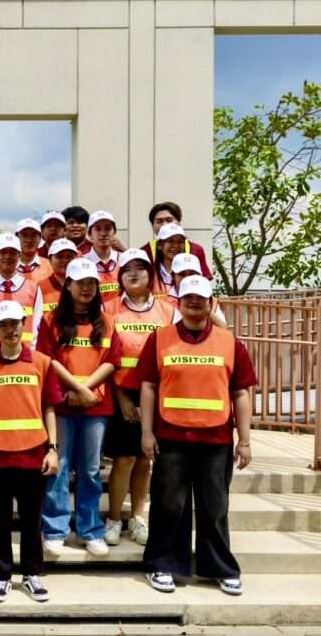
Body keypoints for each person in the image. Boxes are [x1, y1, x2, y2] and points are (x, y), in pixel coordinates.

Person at [137, 275, 255, 596]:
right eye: (188, 297)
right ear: (178, 302)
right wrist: (146, 432)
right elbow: (148, 387)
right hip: (170, 437)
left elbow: (241, 393)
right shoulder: (159, 339)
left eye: (200, 298)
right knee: (169, 505)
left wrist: (245, 441)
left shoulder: (230, 343)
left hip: (216, 440)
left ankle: (219, 568)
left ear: (211, 303)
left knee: (214, 507)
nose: (194, 302)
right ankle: (163, 564)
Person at [0, 301, 61, 604]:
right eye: (4, 325)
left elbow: (49, 408)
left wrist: (53, 449)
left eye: (15, 323)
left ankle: (32, 574)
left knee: (31, 519)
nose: (11, 330)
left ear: (24, 325)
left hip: (32, 454)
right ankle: (2, 577)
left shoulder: (42, 363)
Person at [36, 258, 120, 558]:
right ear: (68, 285)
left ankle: (89, 529)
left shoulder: (107, 321)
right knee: (58, 467)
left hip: (95, 405)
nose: (86, 288)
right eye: (80, 282)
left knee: (91, 469)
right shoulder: (51, 321)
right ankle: (55, 529)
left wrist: (86, 390)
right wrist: (76, 389)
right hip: (63, 404)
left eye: (91, 283)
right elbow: (48, 360)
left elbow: (111, 361)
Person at [102, 250, 178, 548]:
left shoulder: (168, 311)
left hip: (157, 393)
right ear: (120, 277)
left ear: (151, 275)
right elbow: (106, 357)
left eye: (140, 268)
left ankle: (137, 517)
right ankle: (113, 519)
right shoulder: (109, 308)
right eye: (127, 269)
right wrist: (121, 398)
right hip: (121, 392)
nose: (133, 274)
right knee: (124, 459)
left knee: (145, 458)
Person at [0, 234, 43, 349]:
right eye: (3, 252)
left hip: (26, 353)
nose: (8, 257)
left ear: (19, 255)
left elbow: (37, 326)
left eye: (12, 253)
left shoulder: (33, 289)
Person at [140, 201, 213, 280]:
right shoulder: (145, 252)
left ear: (179, 222)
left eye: (169, 220)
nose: (165, 225)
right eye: (159, 221)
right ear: (152, 226)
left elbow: (204, 281)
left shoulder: (195, 250)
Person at [169, 254, 227, 327]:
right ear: (173, 276)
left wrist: (207, 310)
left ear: (200, 276)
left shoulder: (210, 301)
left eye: (192, 274)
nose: (187, 278)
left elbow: (224, 328)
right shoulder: (162, 301)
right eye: (182, 274)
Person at [85, 210, 122, 304]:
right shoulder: (82, 262)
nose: (103, 233)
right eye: (98, 229)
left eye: (108, 228)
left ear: (114, 233)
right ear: (89, 234)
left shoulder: (124, 261)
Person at [38, 239, 78, 313]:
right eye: (59, 256)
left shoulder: (84, 285)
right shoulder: (40, 288)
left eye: (69, 256)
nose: (65, 260)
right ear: (50, 259)